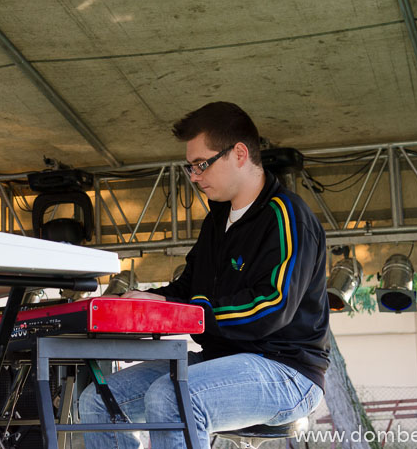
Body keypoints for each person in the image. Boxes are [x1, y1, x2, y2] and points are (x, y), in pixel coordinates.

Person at [78, 101, 330, 448]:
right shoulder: (217, 221)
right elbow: (189, 288)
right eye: (190, 167)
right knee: (98, 401)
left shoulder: (287, 216)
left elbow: (272, 306)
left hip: (288, 371)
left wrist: (187, 313)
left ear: (239, 154)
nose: (194, 176)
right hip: (219, 360)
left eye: (201, 164)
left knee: (172, 396)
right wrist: (155, 300)